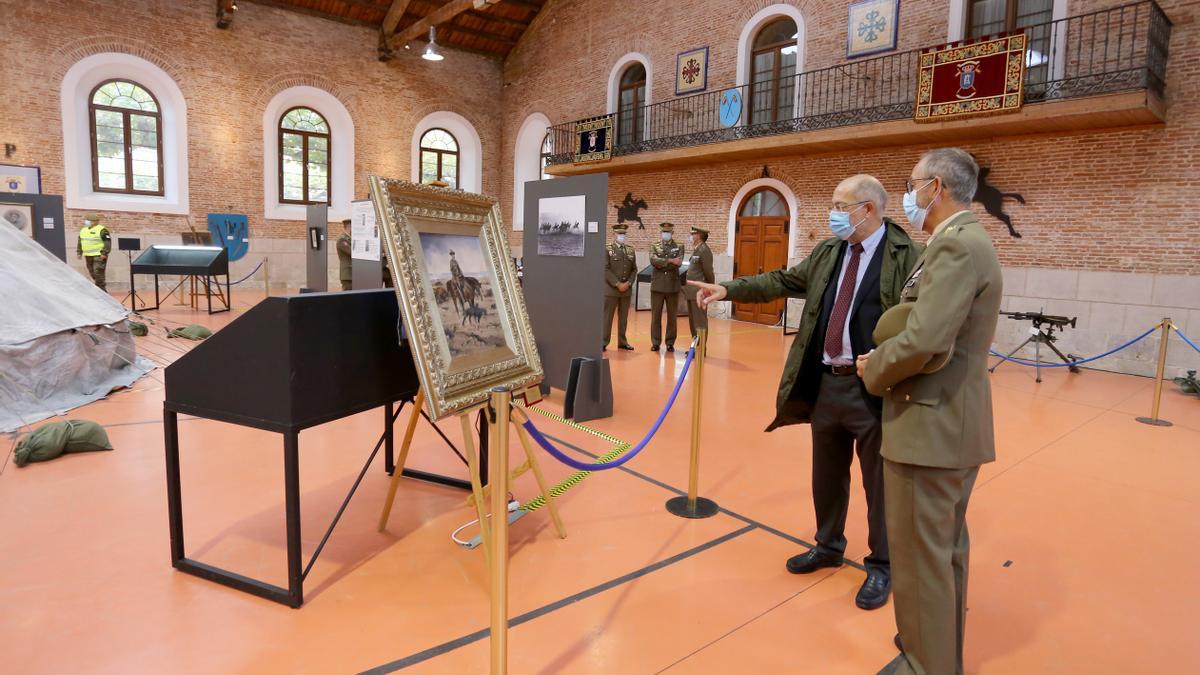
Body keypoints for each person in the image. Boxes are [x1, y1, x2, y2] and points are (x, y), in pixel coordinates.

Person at [690, 175, 922, 611]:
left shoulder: (907, 256)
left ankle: (883, 565)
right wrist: (729, 289)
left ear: (868, 209)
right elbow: (783, 280)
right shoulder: (830, 251)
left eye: (840, 204)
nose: (833, 212)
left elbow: (918, 326)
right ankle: (828, 545)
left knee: (880, 484)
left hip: (874, 388)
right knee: (827, 475)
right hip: (827, 383)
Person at [857, 149, 1001, 675]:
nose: (909, 193)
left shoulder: (957, 248)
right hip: (948, 424)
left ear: (935, 187)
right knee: (942, 554)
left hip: (930, 425)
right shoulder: (958, 242)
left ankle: (925, 665)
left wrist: (875, 368)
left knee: (922, 561)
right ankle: (938, 657)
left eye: (912, 183)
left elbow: (925, 340)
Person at [648, 222, 684, 352]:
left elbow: (678, 263)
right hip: (657, 285)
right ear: (660, 233)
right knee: (655, 316)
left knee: (672, 317)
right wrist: (669, 261)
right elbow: (653, 261)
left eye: (668, 232)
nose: (666, 234)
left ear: (672, 233)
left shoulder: (679, 246)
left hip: (672, 285)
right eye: (664, 232)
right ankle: (655, 342)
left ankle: (670, 342)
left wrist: (661, 262)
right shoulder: (654, 246)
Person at [603, 223, 636, 351]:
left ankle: (622, 342)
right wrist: (617, 284)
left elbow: (634, 269)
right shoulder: (607, 249)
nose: (621, 236)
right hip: (611, 290)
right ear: (614, 234)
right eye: (619, 234)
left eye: (623, 234)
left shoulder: (630, 250)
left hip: (626, 290)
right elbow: (605, 269)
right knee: (607, 317)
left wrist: (628, 283)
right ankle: (603, 341)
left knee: (623, 319)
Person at [682, 226, 715, 340]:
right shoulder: (697, 249)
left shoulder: (704, 250)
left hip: (699, 292)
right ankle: (694, 347)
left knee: (699, 322)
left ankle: (700, 349)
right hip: (692, 292)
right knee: (693, 322)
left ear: (699, 236)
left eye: (693, 234)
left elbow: (708, 271)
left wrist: (709, 287)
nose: (691, 236)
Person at [77, 213, 111, 291]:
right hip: (88, 255)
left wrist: (104, 253)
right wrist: (79, 252)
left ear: (94, 221)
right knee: (92, 272)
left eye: (88, 220)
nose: (86, 222)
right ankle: (99, 286)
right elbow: (80, 241)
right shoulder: (83, 230)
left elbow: (107, 242)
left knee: (98, 271)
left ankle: (102, 290)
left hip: (99, 255)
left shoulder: (102, 230)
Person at [336, 219, 352, 291]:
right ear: (349, 226)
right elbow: (352, 252)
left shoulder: (349, 238)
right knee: (347, 298)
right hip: (347, 274)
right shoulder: (342, 239)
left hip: (352, 273)